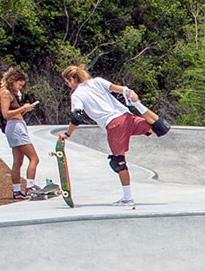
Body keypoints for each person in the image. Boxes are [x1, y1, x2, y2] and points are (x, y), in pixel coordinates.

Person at [59, 64, 168, 207]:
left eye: (67, 82)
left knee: (118, 161)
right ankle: (139, 105)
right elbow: (121, 89)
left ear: (72, 79)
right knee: (160, 127)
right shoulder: (97, 81)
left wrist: (67, 133)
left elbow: (77, 117)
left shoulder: (77, 95)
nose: (68, 85)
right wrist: (131, 94)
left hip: (114, 125)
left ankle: (127, 198)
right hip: (128, 117)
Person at [0, 68, 41, 200]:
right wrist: (23, 108)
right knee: (34, 158)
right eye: (19, 84)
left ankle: (17, 190)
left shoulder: (9, 93)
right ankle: (30, 187)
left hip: (16, 126)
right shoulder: (5, 93)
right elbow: (6, 114)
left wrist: (25, 110)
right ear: (13, 80)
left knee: (18, 161)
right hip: (15, 128)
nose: (20, 87)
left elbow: (13, 112)